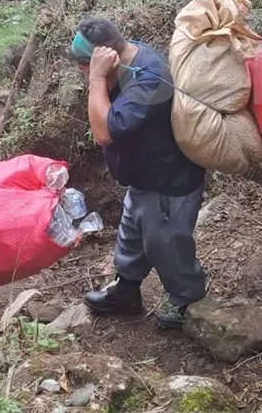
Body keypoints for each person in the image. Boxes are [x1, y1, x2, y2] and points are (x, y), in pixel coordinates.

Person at [69, 17, 207, 330]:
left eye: (83, 69)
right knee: (131, 236)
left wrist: (96, 79)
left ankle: (189, 302)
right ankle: (126, 292)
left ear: (105, 60)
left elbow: (104, 133)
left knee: (166, 244)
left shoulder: (149, 81)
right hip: (143, 177)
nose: (83, 75)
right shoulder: (129, 58)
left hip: (168, 181)